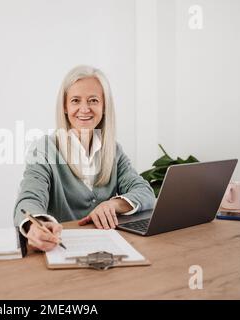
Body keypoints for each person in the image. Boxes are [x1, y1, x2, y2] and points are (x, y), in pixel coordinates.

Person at [13, 65, 155, 251]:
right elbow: (28, 199)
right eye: (75, 100)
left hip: (109, 249)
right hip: (62, 249)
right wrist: (35, 226)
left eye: (93, 100)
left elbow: (145, 192)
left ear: (104, 107)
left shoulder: (113, 150)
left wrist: (113, 204)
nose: (84, 109)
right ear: (65, 106)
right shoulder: (45, 150)